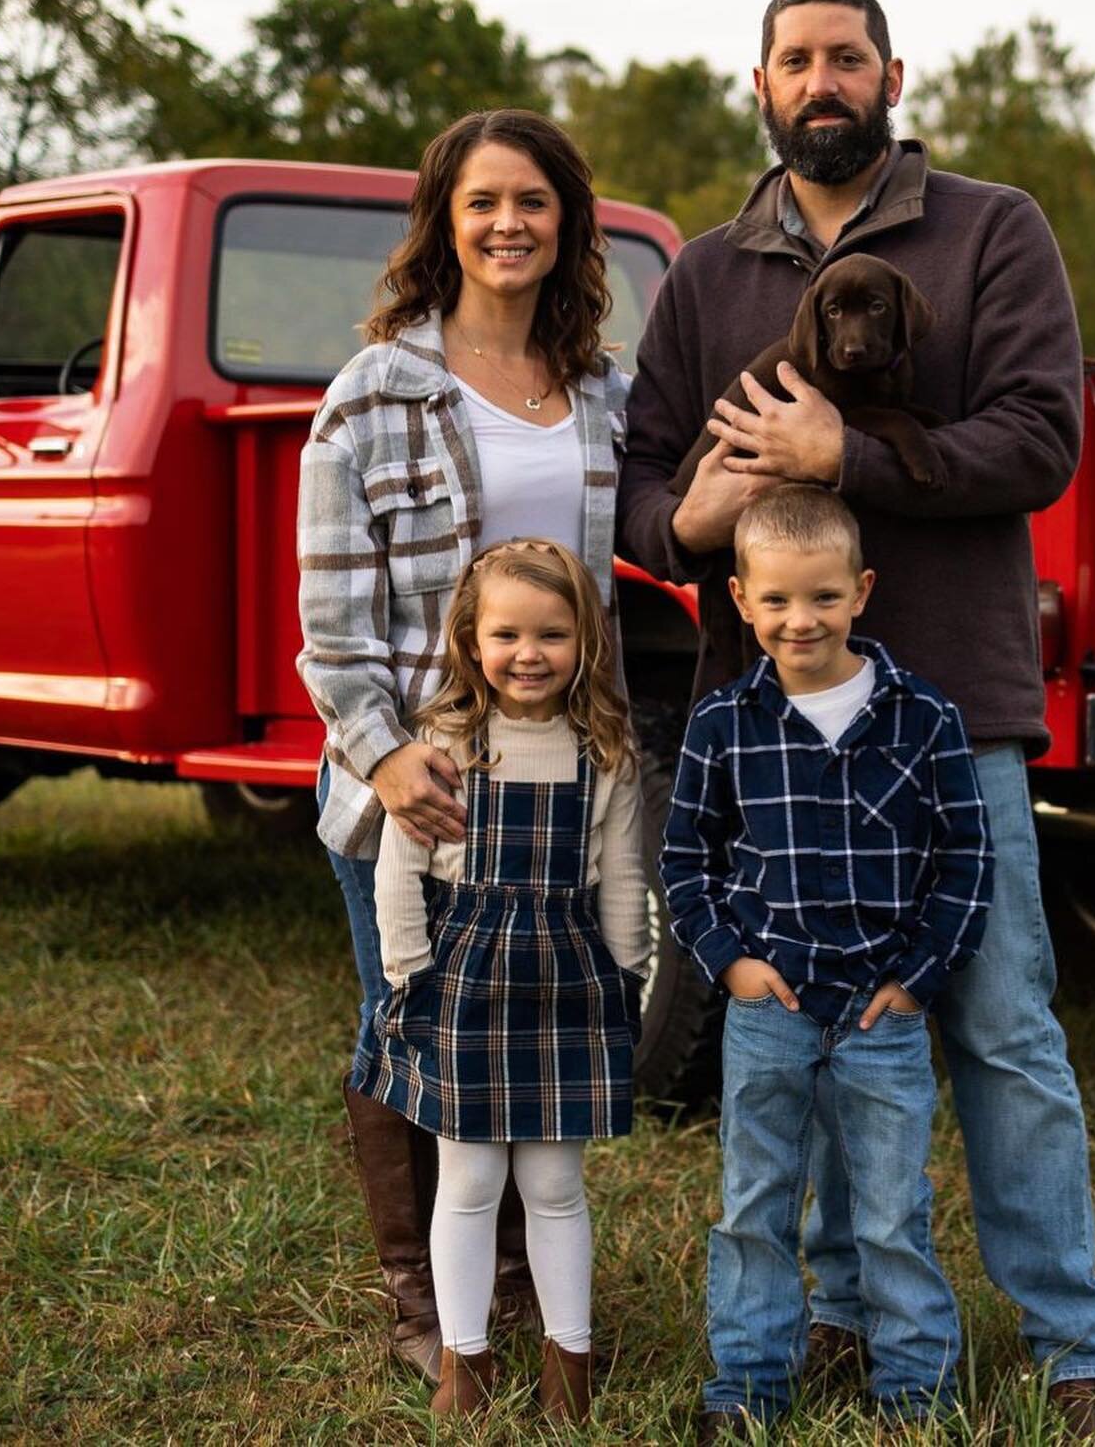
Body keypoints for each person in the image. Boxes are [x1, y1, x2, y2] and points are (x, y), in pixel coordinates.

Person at [618, 0, 1095, 1438]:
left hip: (951, 704)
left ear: (893, 76)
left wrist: (845, 450)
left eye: (847, 56)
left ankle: (1075, 1341)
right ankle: (843, 1316)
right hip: (777, 723)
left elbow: (1039, 440)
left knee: (998, 1020)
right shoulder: (711, 274)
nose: (821, 80)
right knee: (825, 1020)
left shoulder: (993, 229)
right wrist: (695, 519)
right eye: (796, 59)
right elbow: (647, 482)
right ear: (764, 85)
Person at [297, 109, 630, 1387]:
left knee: (526, 1026)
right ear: (443, 219)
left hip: (554, 773)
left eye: (534, 201)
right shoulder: (374, 390)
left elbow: (633, 543)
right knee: (414, 1023)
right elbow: (332, 614)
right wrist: (384, 759)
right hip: (421, 778)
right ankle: (426, 1307)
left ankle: (524, 1297)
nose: (508, 223)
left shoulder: (598, 389)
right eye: (483, 200)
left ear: (567, 223)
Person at [661, 486, 992, 1433]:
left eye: (821, 598)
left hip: (882, 1011)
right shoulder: (724, 724)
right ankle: (751, 1384)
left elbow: (968, 859)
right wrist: (730, 965)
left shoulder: (924, 718)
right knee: (754, 1204)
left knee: (891, 1211)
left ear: (861, 591)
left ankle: (915, 1392)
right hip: (772, 1002)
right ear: (740, 600)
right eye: (776, 601)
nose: (799, 620)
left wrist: (920, 978)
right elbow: (686, 861)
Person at [361, 539, 647, 1420]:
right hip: (463, 984)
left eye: (553, 634)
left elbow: (624, 876)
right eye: (508, 634)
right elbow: (399, 871)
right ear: (470, 639)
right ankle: (465, 1360)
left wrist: (627, 978)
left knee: (556, 1187)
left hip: (565, 984)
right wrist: (409, 975)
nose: (530, 653)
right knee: (470, 1183)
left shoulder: (603, 751)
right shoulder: (446, 741)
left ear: (586, 640)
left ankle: (571, 1360)